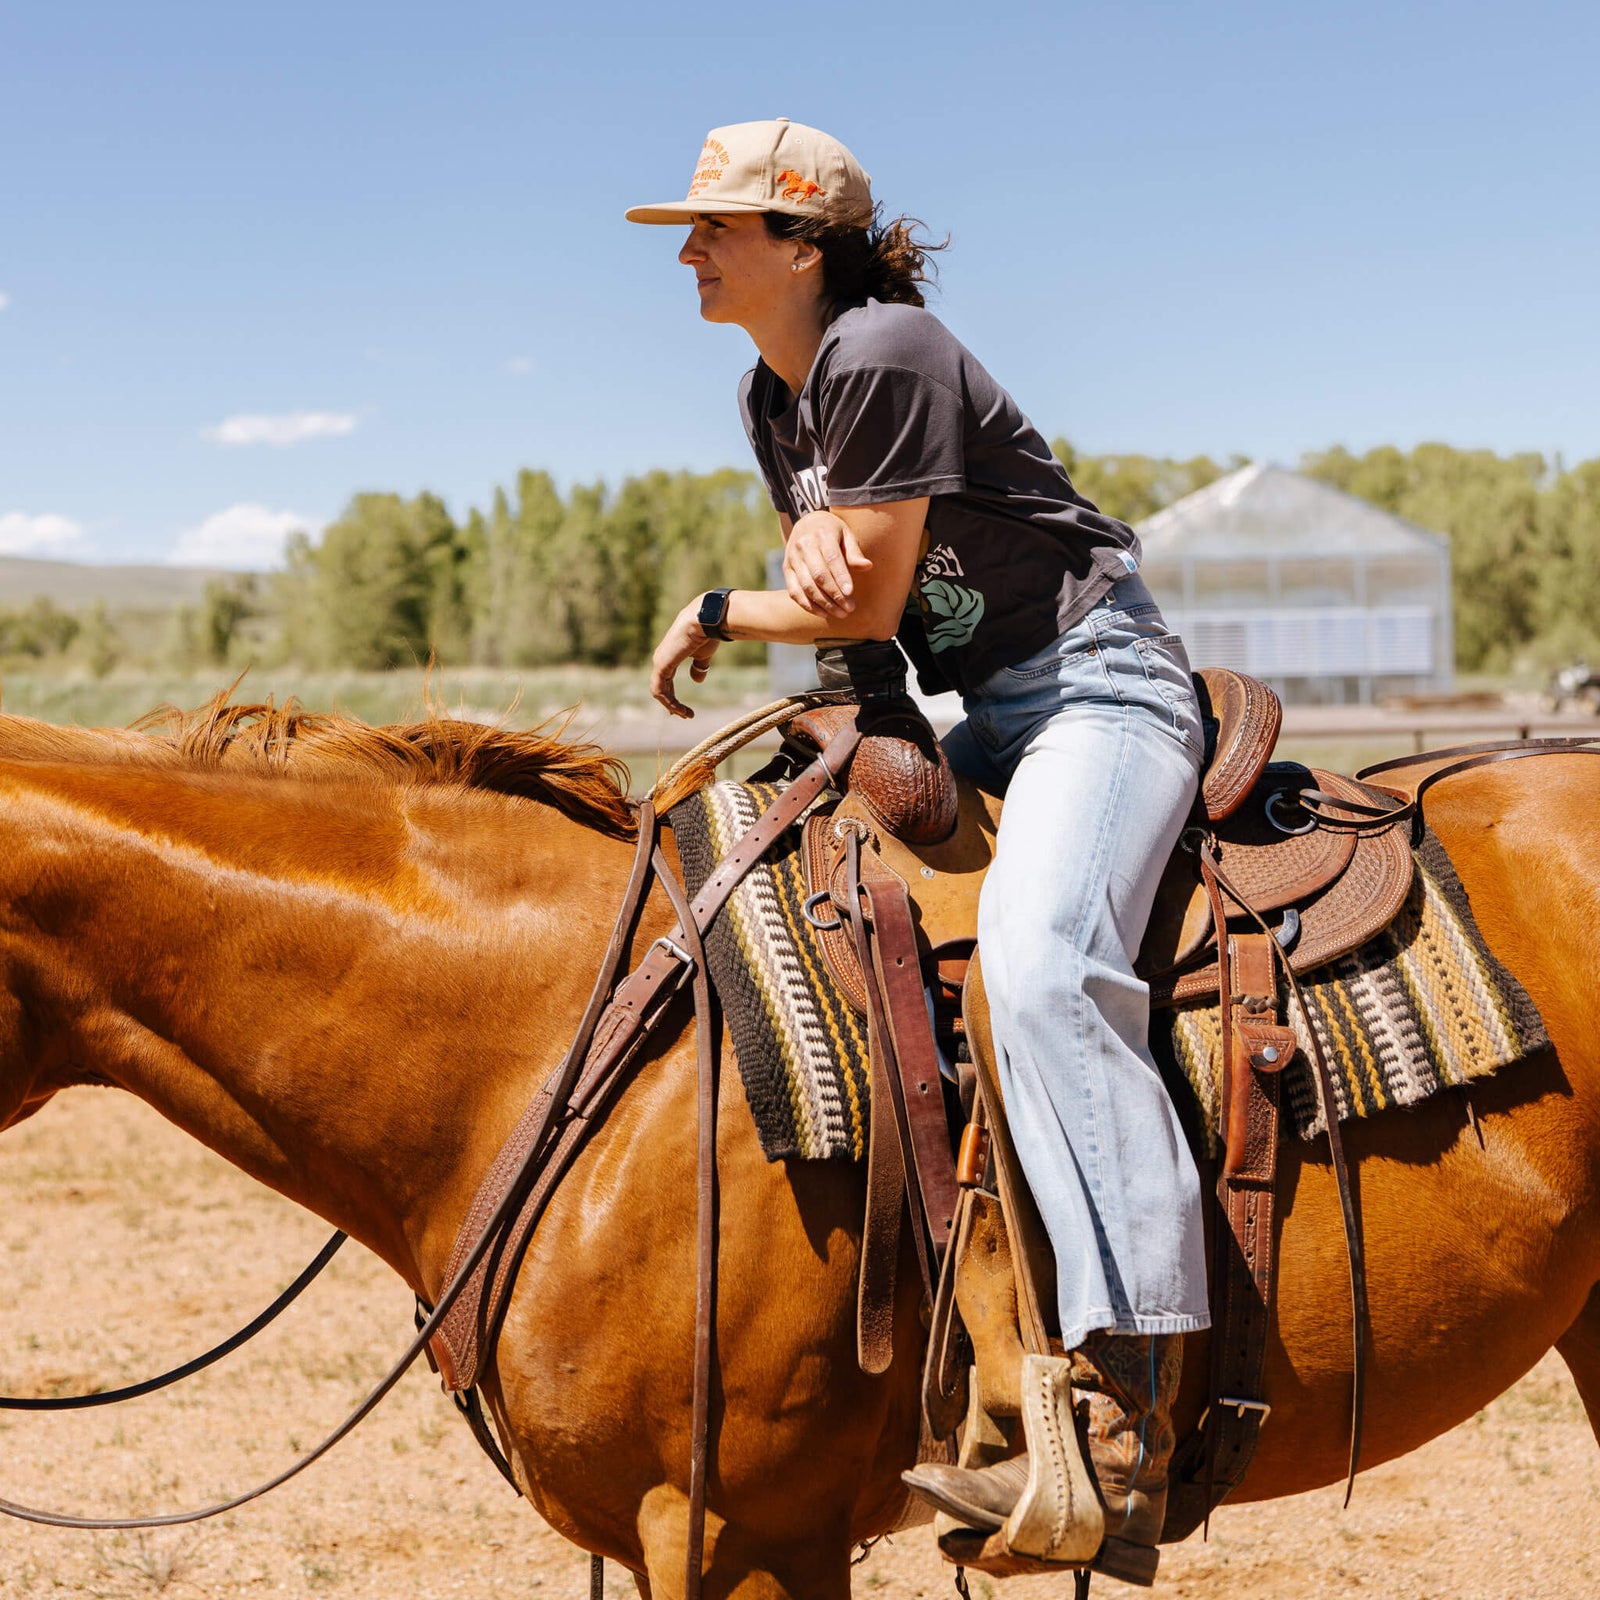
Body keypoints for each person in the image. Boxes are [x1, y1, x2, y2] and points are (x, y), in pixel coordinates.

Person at [629, 119, 1208, 1568]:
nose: (690, 250)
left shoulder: (883, 352)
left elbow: (868, 599)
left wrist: (727, 607)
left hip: (1101, 687)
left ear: (803, 241)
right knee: (790, 904)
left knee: (1038, 963)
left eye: (718, 226)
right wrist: (856, 728)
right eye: (690, 228)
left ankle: (1131, 1388)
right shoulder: (777, 402)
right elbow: (870, 651)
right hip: (989, 712)